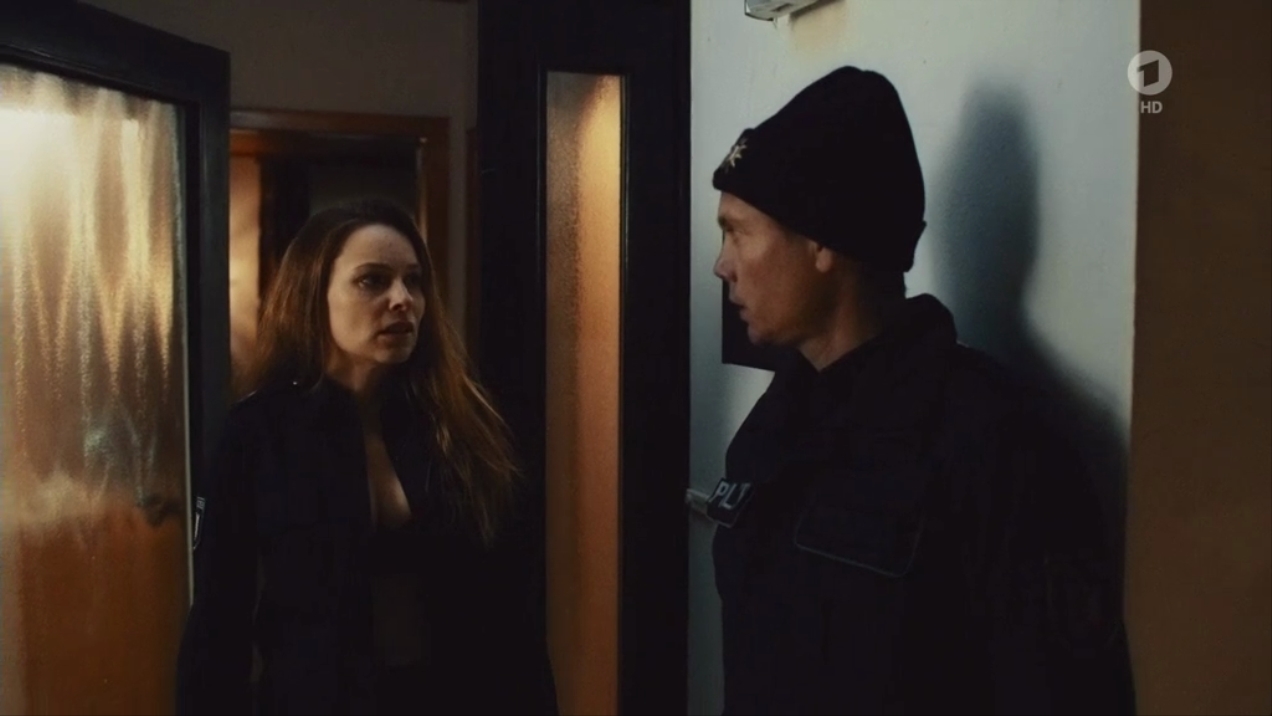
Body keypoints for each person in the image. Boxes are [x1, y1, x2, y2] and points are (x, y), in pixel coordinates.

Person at [706, 66, 1135, 714]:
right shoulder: (772, 426)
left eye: (738, 231)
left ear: (821, 243)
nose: (723, 264)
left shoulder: (995, 446)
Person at [176, 198, 557, 715]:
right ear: (314, 294)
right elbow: (218, 623)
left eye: (413, 281)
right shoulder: (259, 432)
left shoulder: (458, 425)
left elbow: (512, 615)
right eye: (372, 281)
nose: (402, 300)